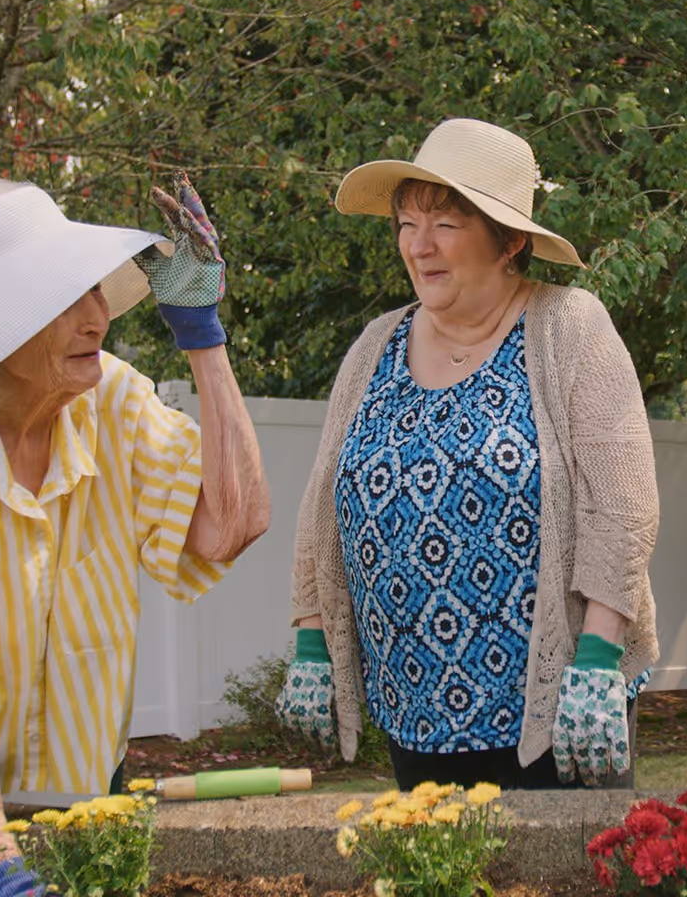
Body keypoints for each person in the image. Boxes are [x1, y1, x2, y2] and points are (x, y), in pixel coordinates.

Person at [0, 176, 270, 895]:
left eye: (97, 291)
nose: (100, 317)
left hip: (74, 806)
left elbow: (231, 524)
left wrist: (203, 337)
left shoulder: (111, 399)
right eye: (67, 298)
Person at [278, 118, 659, 791]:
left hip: (559, 715)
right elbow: (321, 502)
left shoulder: (569, 327)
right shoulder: (375, 344)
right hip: (414, 712)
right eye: (406, 223)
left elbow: (621, 505)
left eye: (446, 225)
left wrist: (598, 659)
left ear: (509, 241)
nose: (419, 246)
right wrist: (311, 636)